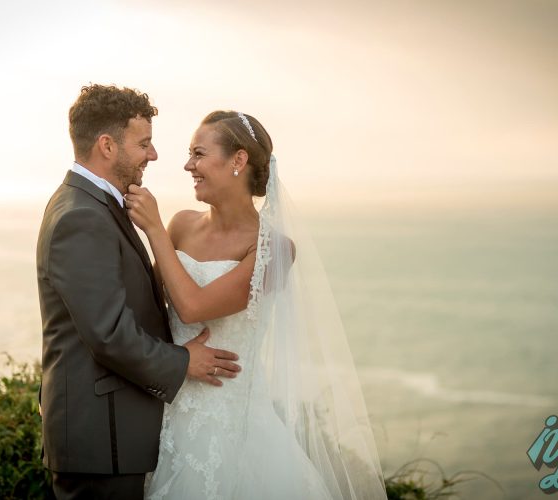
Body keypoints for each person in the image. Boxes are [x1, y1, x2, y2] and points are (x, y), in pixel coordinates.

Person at [126, 111, 387, 499]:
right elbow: (146, 310)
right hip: (166, 409)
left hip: (230, 423)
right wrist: (172, 359)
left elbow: (193, 307)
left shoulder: (274, 249)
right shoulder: (181, 225)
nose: (187, 165)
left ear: (238, 160)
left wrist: (153, 230)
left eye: (198, 153)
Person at [36, 85, 242, 500]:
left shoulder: (96, 205)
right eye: (144, 143)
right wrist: (184, 361)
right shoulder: (82, 216)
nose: (154, 155)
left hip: (116, 437)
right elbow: (109, 334)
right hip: (102, 440)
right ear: (107, 145)